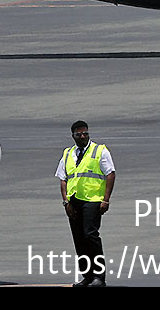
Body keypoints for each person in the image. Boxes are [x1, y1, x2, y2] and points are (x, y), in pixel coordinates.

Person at [56, 120, 115, 286]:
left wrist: (105, 199)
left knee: (90, 235)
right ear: (73, 136)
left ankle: (99, 276)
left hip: (93, 200)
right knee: (79, 238)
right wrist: (66, 202)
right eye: (79, 134)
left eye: (85, 133)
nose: (83, 136)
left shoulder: (99, 151)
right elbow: (63, 178)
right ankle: (87, 275)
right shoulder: (68, 153)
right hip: (74, 201)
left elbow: (110, 174)